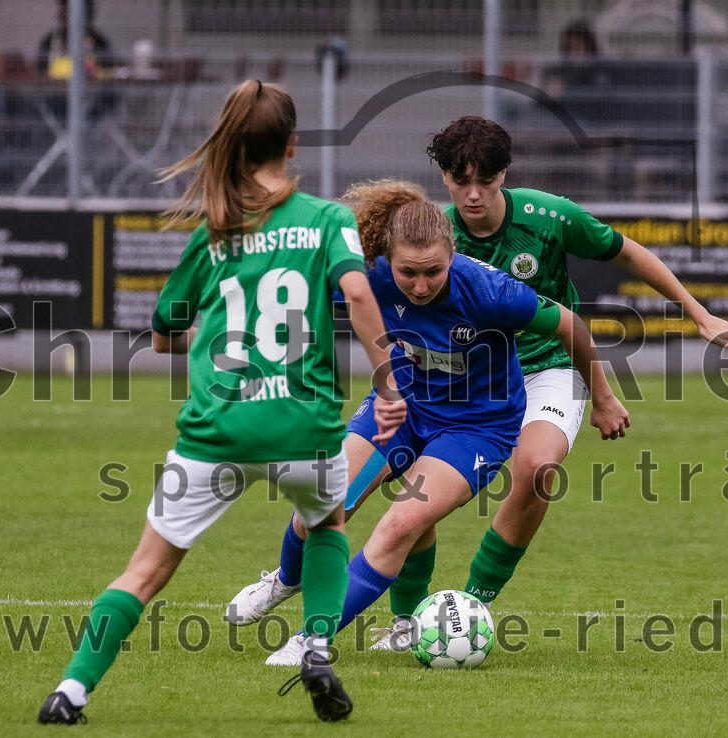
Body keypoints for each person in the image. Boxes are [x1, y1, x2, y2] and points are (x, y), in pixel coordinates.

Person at [36, 80, 404, 725]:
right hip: (304, 426)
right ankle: (316, 646)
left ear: (234, 145)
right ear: (292, 145)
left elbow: (163, 335)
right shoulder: (326, 220)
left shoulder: (214, 230)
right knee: (326, 526)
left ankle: (70, 692)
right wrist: (387, 384)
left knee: (145, 571)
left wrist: (215, 343)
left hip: (217, 430)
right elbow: (358, 294)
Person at [229, 178, 629, 665]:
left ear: (452, 255)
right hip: (404, 406)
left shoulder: (490, 290)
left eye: (433, 272)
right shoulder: (369, 274)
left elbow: (570, 324)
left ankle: (311, 639)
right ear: (388, 260)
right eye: (408, 273)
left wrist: (603, 398)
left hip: (476, 427)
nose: (420, 286)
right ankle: (285, 580)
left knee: (403, 522)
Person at [37, 0, 113, 80]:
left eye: (68, 10)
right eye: (63, 8)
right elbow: (41, 75)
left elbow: (106, 74)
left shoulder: (99, 44)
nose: (62, 13)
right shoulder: (49, 42)